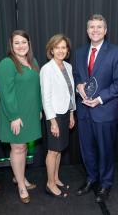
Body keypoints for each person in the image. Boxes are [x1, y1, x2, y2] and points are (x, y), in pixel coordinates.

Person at [73, 14, 118, 203]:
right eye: (92, 27)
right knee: (86, 149)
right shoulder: (79, 52)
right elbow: (77, 75)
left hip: (104, 110)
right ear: (87, 31)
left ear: (105, 30)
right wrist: (79, 85)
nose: (95, 30)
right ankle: (91, 178)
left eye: (99, 27)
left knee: (105, 150)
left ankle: (105, 183)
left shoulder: (116, 52)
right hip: (84, 111)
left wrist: (100, 99)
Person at [0, 30, 41, 204]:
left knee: (23, 148)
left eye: (24, 42)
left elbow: (37, 88)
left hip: (30, 113)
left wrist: (39, 108)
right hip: (14, 115)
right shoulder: (7, 64)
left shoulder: (33, 61)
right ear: (11, 45)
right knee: (17, 148)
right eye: (17, 42)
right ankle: (21, 185)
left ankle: (20, 177)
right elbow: (6, 93)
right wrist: (13, 116)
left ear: (29, 44)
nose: (21, 45)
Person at [40, 34, 76, 198]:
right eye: (57, 47)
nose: (61, 50)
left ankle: (55, 177)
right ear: (51, 50)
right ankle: (50, 183)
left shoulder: (67, 67)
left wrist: (71, 113)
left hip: (65, 113)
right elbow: (45, 98)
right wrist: (53, 122)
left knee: (60, 149)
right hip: (53, 116)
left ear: (67, 50)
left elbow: (70, 93)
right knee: (53, 151)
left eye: (64, 47)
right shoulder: (47, 69)